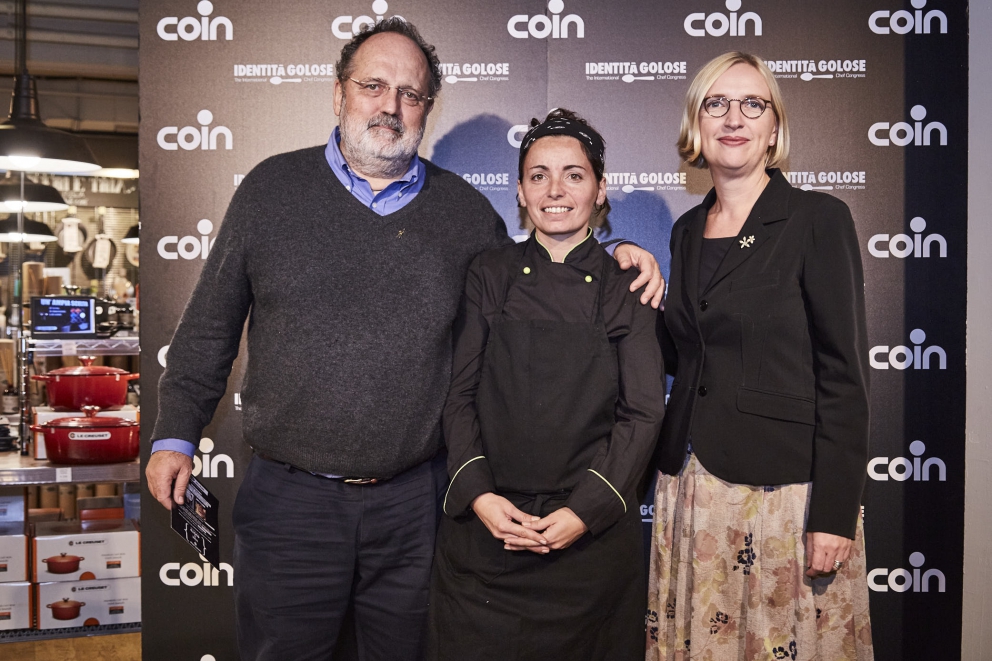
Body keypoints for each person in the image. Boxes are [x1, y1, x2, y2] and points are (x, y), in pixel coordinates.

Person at [144, 19, 665, 661]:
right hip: (290, 504)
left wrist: (620, 254)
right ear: (340, 94)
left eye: (410, 94)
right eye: (374, 86)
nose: (390, 106)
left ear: (426, 108)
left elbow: (544, 279)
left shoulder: (466, 216)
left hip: (413, 509)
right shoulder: (270, 190)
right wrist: (174, 436)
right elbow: (207, 329)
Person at [646, 52, 874, 660]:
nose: (734, 117)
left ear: (775, 127)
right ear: (697, 122)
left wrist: (834, 511)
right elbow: (688, 353)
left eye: (753, 103)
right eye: (716, 103)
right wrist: (639, 282)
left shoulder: (817, 219)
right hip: (692, 486)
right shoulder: (688, 231)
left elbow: (844, 376)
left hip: (783, 496)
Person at [429, 109, 666, 661]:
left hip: (590, 546)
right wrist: (481, 497)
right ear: (519, 190)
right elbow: (458, 395)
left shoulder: (626, 283)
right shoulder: (488, 273)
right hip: (488, 542)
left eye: (573, 175)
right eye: (538, 175)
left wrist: (585, 510)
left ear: (600, 189)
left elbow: (644, 413)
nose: (555, 190)